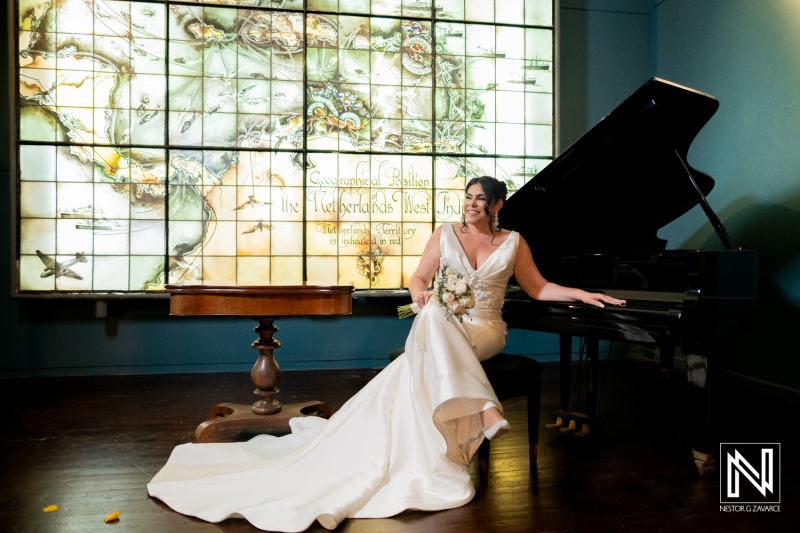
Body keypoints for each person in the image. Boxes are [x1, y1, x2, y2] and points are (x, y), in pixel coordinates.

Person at [147, 176, 625, 532]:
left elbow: (539, 288)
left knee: (435, 322)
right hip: (442, 322)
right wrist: (421, 294)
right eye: (468, 196)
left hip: (484, 329)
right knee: (433, 315)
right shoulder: (444, 234)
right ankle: (482, 411)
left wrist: (585, 295)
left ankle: (480, 409)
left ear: (498, 204)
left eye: (482, 199)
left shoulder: (514, 242)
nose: (472, 204)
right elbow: (420, 278)